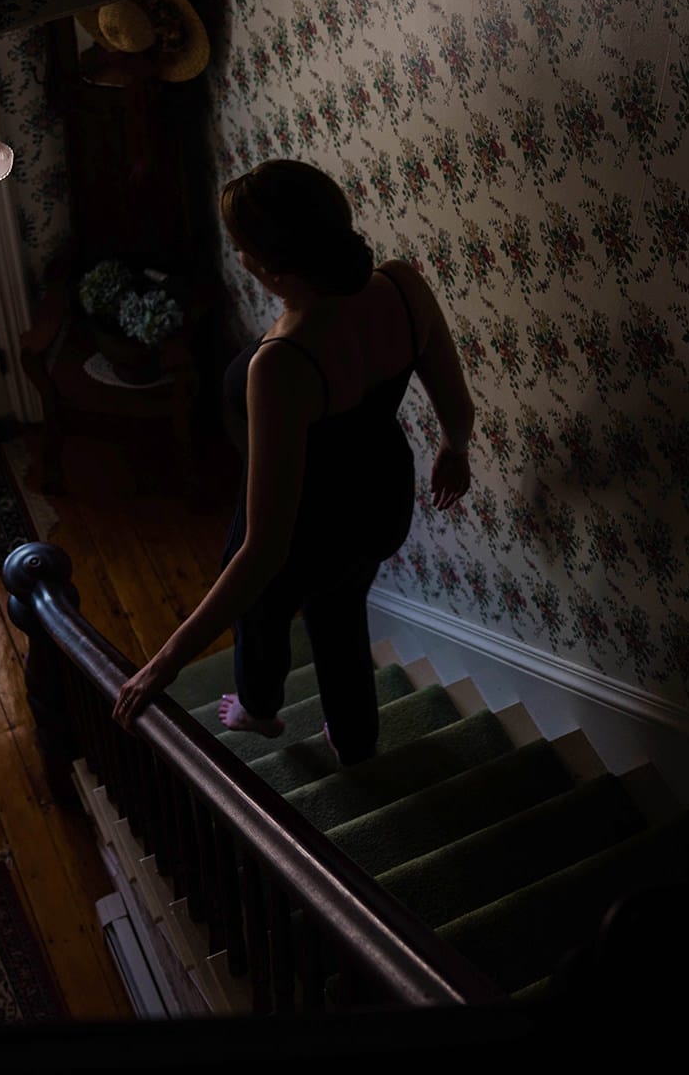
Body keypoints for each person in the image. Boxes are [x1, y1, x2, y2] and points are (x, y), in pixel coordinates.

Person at [111, 159, 474, 765]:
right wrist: (453, 452)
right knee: (340, 614)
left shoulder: (282, 361)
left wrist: (162, 665)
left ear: (269, 267)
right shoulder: (404, 284)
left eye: (242, 250)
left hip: (311, 523)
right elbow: (457, 407)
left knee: (267, 601)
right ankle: (355, 740)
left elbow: (265, 550)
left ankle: (258, 707)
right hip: (384, 499)